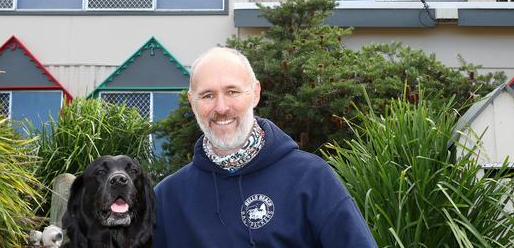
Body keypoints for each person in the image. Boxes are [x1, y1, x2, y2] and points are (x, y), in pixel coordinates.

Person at [154, 47, 377, 247]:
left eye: (232, 92)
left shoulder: (311, 178)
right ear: (193, 102)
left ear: (255, 93)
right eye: (207, 95)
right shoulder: (166, 198)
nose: (221, 107)